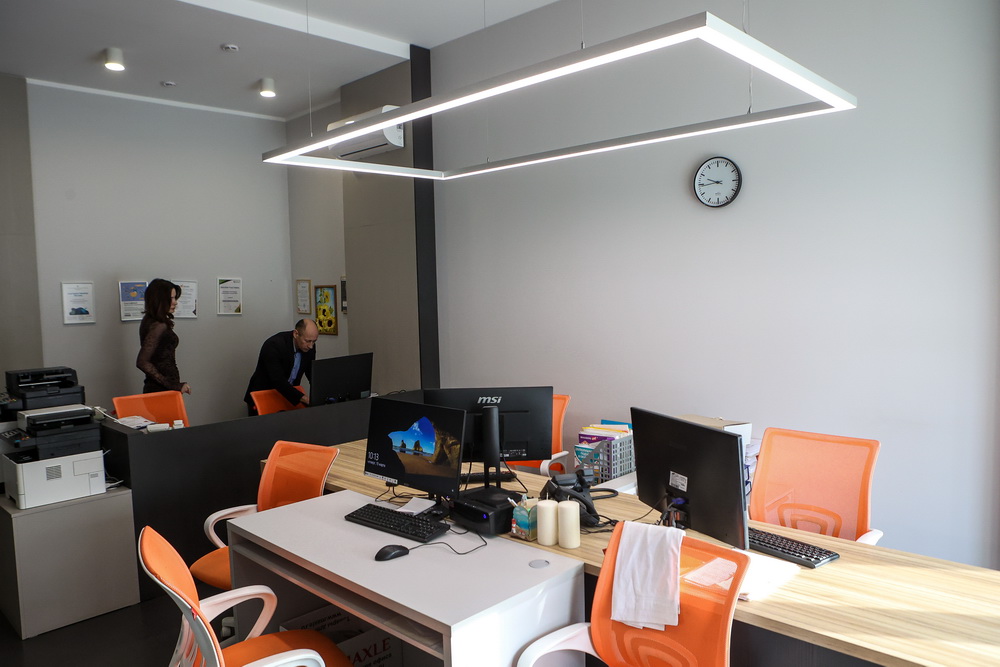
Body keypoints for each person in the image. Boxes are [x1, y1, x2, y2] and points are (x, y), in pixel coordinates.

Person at [243, 319, 318, 415]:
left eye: (314, 341)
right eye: (307, 341)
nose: (311, 346)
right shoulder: (274, 345)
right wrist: (304, 398)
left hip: (286, 396)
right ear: (296, 334)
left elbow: (311, 373)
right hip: (263, 395)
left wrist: (320, 394)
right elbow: (278, 380)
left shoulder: (309, 347)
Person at [136, 278, 191, 395]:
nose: (175, 302)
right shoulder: (158, 325)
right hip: (160, 390)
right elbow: (142, 362)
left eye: (175, 298)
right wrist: (172, 385)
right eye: (171, 298)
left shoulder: (152, 321)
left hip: (163, 388)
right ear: (159, 300)